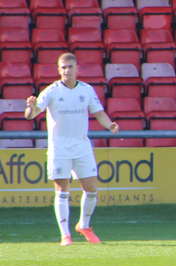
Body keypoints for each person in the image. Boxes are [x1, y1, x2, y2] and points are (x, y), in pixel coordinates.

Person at [24, 52, 119, 246]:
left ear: (77, 69)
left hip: (82, 146)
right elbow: (31, 115)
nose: (67, 70)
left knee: (91, 190)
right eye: (63, 67)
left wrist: (110, 125)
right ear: (58, 70)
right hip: (59, 148)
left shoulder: (86, 90)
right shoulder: (51, 91)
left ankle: (84, 225)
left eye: (70, 67)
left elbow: (99, 113)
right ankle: (65, 235)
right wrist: (30, 107)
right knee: (62, 190)